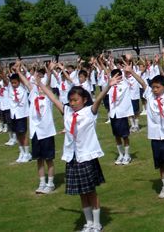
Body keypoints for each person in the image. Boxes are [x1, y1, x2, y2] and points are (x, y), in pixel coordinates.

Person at [38, 72, 120, 232]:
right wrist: (40, 85)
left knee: (91, 191)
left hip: (86, 156)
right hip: (73, 157)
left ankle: (97, 224)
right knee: (81, 193)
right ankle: (88, 223)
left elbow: (98, 100)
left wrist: (109, 85)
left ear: (84, 100)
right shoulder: (67, 111)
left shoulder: (90, 111)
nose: (72, 103)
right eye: (70, 100)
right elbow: (53, 99)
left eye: (76, 100)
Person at [128, 68, 164, 199]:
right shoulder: (150, 96)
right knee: (160, 164)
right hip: (155, 136)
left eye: (157, 87)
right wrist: (131, 72)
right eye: (153, 87)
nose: (154, 90)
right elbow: (143, 84)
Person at [17, 65, 56, 194]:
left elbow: (48, 83)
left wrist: (49, 72)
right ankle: (42, 182)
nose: (39, 87)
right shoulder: (33, 93)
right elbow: (27, 83)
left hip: (47, 132)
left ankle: (50, 183)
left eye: (41, 85)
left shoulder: (48, 96)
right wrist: (18, 71)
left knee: (49, 159)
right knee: (39, 159)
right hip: (35, 133)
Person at [8, 72, 31, 163]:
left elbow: (25, 82)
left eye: (15, 83)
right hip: (13, 115)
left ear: (19, 82)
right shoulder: (10, 88)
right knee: (17, 134)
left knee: (23, 134)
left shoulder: (23, 88)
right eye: (12, 83)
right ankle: (21, 152)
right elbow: (6, 80)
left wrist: (18, 71)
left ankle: (27, 153)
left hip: (21, 114)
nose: (13, 85)